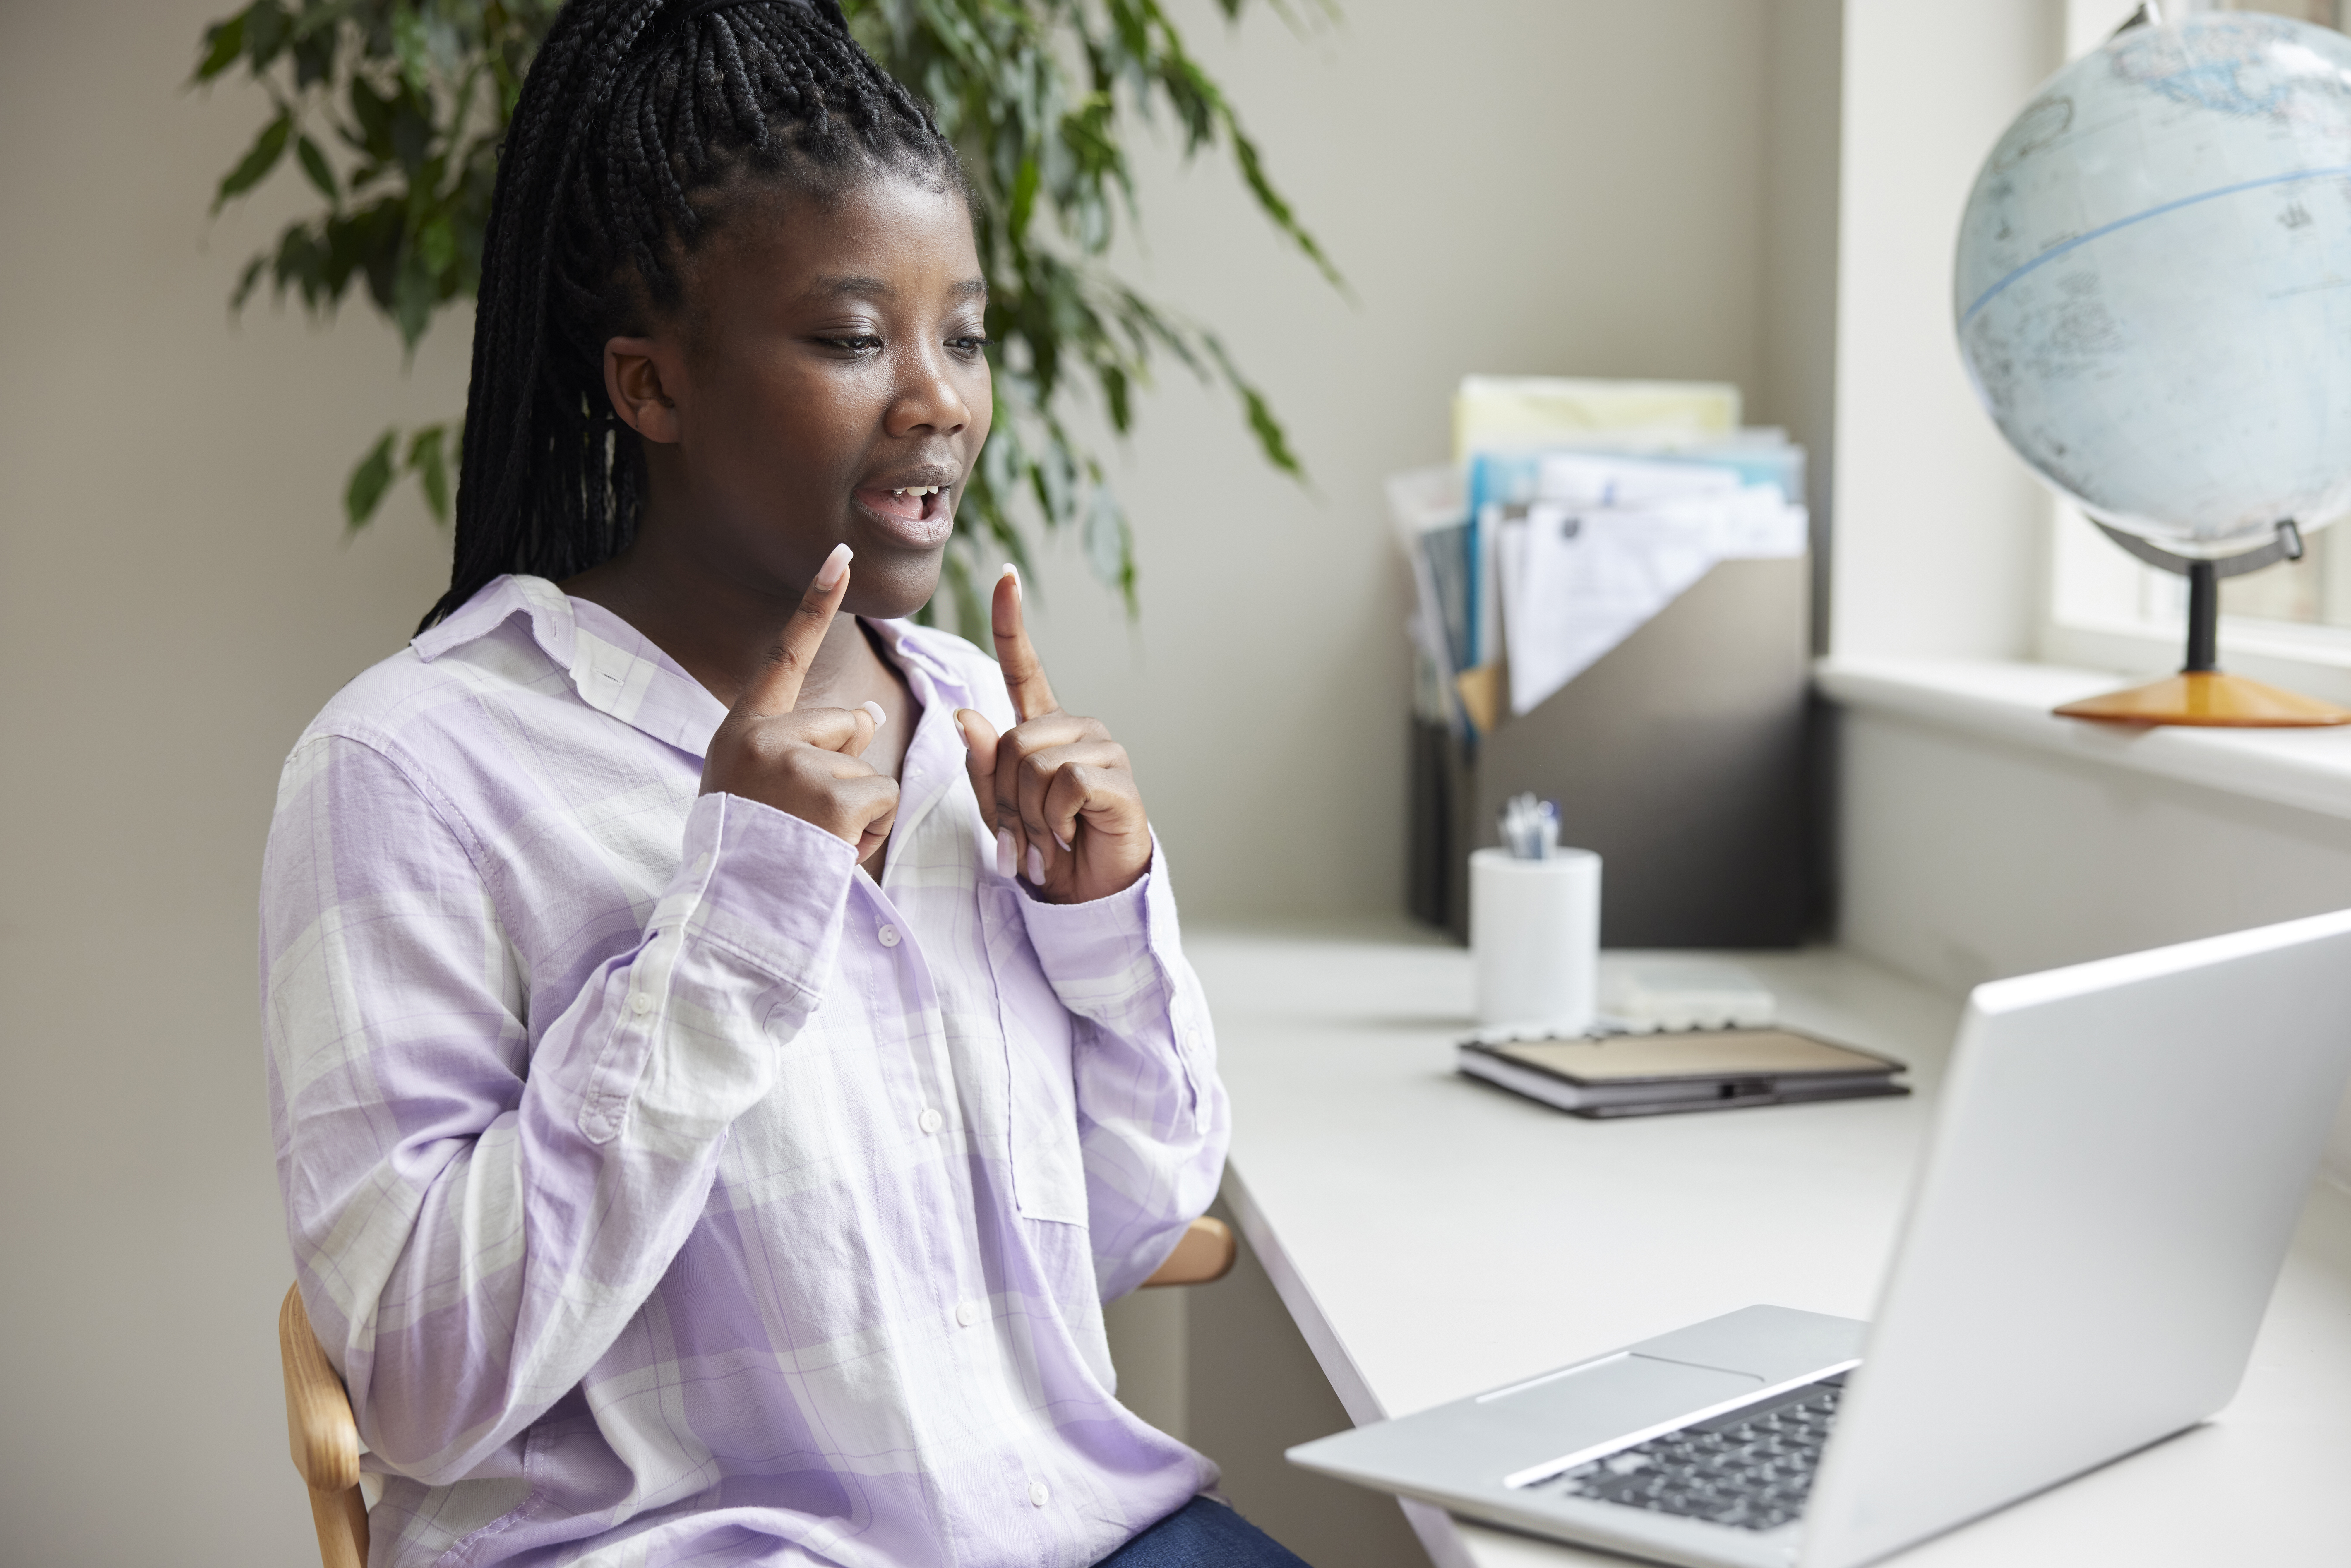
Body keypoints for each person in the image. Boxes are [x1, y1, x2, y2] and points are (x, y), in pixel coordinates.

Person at [260, 3, 1307, 1563]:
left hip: (1084, 1529)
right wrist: (734, 913)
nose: (938, 396)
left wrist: (1104, 925)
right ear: (649, 386)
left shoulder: (964, 716)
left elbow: (1130, 1230)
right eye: (850, 336)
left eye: (962, 332)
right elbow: (418, 1383)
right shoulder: (412, 767)